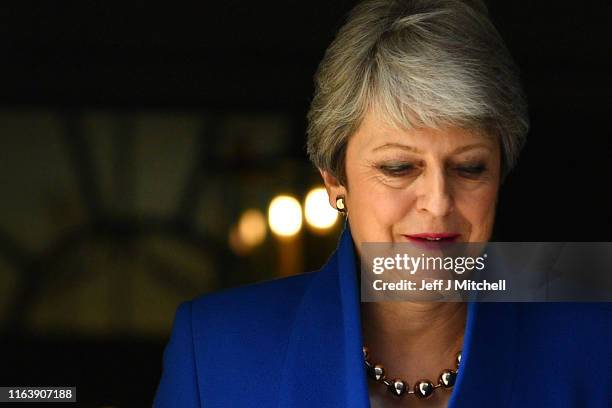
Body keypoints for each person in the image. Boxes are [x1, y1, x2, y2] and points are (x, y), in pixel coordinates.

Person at [153, 1, 611, 407]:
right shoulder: (216, 352)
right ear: (334, 179)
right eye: (398, 168)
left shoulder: (595, 341)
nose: (437, 202)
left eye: (470, 168)